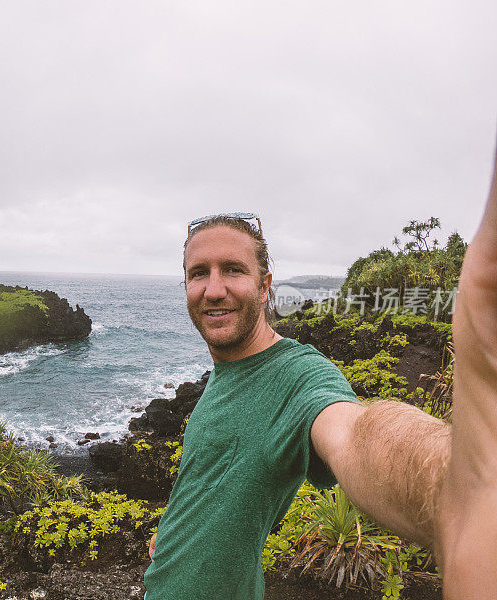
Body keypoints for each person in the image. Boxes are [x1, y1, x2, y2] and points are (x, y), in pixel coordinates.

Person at [143, 142, 497, 599]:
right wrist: (175, 536)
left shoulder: (297, 377)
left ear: (265, 285)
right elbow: (214, 476)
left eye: (233, 270)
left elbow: (352, 433)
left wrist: (459, 491)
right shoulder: (226, 368)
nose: (213, 289)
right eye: (198, 273)